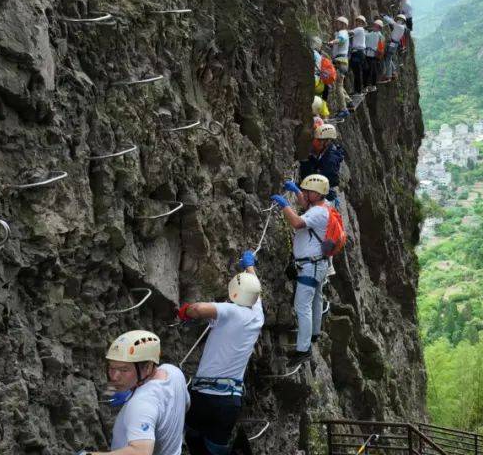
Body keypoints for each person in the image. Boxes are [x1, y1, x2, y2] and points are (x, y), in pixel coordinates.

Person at [177, 254, 264, 455]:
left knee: (193, 439)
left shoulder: (230, 311)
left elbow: (199, 309)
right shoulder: (257, 315)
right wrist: (249, 266)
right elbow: (256, 290)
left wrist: (185, 312)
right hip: (229, 402)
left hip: (204, 397)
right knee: (215, 449)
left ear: (234, 293)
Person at [76, 330, 189, 455]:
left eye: (124, 369)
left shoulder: (141, 403)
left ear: (147, 367)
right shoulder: (173, 372)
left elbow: (141, 452)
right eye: (112, 367)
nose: (114, 377)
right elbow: (185, 404)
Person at [270, 175, 337, 365]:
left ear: (316, 194)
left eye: (308, 192)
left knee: (302, 306)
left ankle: (303, 349)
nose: (305, 195)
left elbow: (298, 222)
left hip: (310, 266)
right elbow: (308, 207)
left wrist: (284, 205)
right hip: (318, 264)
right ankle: (314, 333)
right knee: (315, 298)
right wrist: (297, 192)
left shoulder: (318, 213)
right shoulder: (323, 207)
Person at [298, 123, 346, 190]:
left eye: (317, 140)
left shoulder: (329, 162)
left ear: (325, 142)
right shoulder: (327, 150)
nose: (313, 142)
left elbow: (318, 183)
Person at [329, 16, 351, 114]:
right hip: (341, 62)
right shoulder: (341, 33)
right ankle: (349, 102)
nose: (336, 25)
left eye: (338, 23)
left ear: (343, 25)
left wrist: (333, 42)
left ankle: (344, 109)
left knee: (338, 87)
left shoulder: (343, 32)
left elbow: (340, 40)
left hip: (340, 62)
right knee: (339, 85)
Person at [379, 14, 408, 83]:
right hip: (394, 44)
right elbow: (392, 22)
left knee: (388, 59)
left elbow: (391, 22)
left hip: (393, 44)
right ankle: (394, 72)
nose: (399, 20)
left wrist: (384, 16)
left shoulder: (399, 26)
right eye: (399, 19)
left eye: (400, 19)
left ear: (402, 21)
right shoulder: (402, 27)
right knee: (388, 57)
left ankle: (388, 76)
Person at [348, 15, 368, 97]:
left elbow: (350, 32)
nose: (358, 23)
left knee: (357, 72)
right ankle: (357, 90)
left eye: (360, 22)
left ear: (363, 24)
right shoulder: (361, 30)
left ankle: (358, 91)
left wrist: (341, 31)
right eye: (357, 21)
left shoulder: (359, 29)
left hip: (358, 52)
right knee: (356, 72)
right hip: (359, 52)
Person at [364, 20, 384, 92]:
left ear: (379, 28)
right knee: (370, 71)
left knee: (369, 71)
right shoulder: (378, 35)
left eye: (376, 26)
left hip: (372, 55)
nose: (374, 27)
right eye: (374, 25)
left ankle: (369, 86)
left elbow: (366, 35)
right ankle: (371, 86)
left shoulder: (378, 35)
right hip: (371, 55)